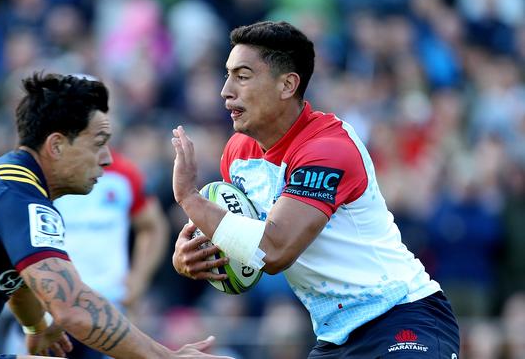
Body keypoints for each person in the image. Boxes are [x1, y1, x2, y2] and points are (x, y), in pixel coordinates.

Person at [0, 72, 232, 359]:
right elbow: (73, 307)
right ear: (57, 145)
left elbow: (18, 275)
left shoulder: (11, 185)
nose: (107, 159)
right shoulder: (19, 198)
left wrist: (36, 327)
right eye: (98, 143)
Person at [170, 21, 460, 358]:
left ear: (287, 85)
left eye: (243, 76)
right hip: (335, 337)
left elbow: (273, 250)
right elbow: (244, 241)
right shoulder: (237, 153)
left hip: (402, 316)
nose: (226, 90)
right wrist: (193, 254)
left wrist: (189, 199)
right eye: (227, 75)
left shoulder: (327, 148)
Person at [53, 148, 169, 358]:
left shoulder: (124, 173)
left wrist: (139, 278)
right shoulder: (48, 174)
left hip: (110, 306)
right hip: (54, 307)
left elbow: (153, 226)